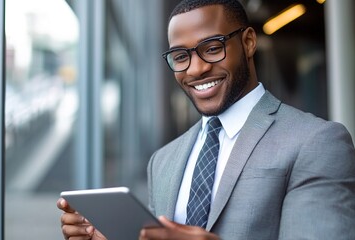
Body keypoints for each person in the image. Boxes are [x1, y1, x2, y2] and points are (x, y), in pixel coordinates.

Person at [57, 0, 355, 239]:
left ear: (249, 42)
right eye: (181, 56)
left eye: (212, 48)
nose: (195, 69)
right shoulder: (162, 161)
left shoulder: (316, 142)